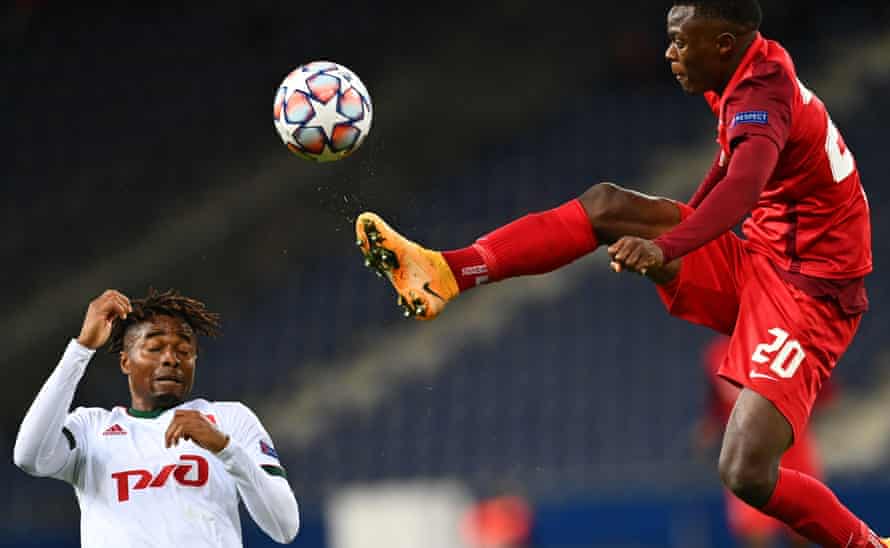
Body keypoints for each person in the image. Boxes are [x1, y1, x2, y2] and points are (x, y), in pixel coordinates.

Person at [354, 1, 881, 546]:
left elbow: (744, 188)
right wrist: (681, 227)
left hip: (810, 295)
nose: (670, 53)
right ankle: (446, 271)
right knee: (607, 206)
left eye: (680, 41)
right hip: (764, 262)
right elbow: (730, 167)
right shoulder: (743, 72)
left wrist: (668, 245)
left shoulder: (760, 94)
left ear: (724, 44)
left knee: (745, 471)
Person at [13, 289, 300, 547]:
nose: (171, 358)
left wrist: (225, 449)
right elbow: (28, 455)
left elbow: (284, 527)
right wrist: (82, 349)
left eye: (184, 350)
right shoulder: (91, 429)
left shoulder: (229, 420)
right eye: (154, 348)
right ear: (126, 361)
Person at [694, 335, 832, 548]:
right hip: (749, 452)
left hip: (791, 446)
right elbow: (717, 400)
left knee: (801, 530)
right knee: (754, 531)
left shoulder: (784, 340)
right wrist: (710, 426)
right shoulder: (716, 354)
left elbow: (821, 389)